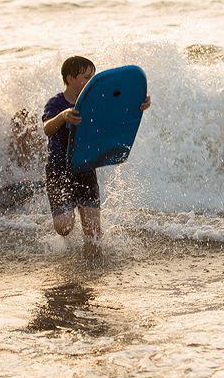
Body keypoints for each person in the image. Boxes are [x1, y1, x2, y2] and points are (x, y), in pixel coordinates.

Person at [42, 56, 151, 252]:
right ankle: (68, 227)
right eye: (86, 77)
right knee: (64, 227)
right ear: (70, 78)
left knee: (93, 233)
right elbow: (47, 128)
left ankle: (91, 261)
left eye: (92, 76)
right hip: (59, 170)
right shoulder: (56, 103)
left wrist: (139, 103)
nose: (90, 81)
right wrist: (63, 115)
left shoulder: (95, 101)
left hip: (85, 166)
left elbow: (118, 112)